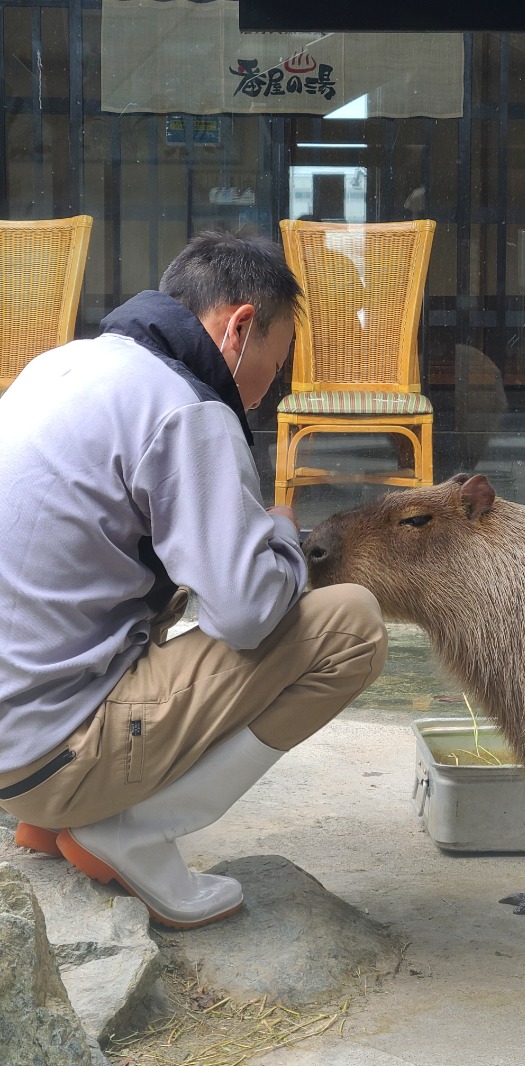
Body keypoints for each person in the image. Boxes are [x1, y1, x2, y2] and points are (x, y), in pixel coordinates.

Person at [0, 231, 388, 929]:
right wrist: (280, 536)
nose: (271, 391)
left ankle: (54, 820)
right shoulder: (185, 407)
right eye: (276, 363)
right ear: (240, 327)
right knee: (352, 624)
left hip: (14, 744)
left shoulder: (59, 366)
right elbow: (244, 613)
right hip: (51, 754)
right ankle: (130, 830)